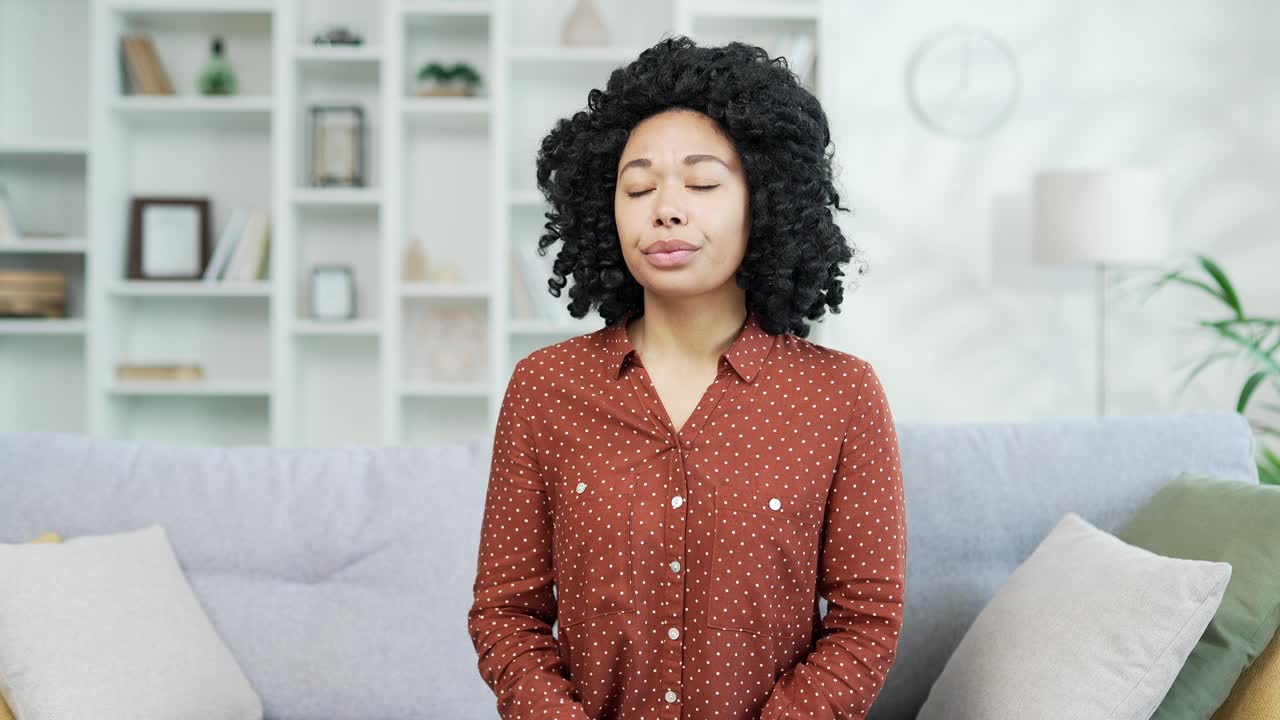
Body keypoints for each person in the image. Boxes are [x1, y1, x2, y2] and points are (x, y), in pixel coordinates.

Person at [467, 35, 906, 720]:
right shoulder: (545, 389)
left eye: (702, 184)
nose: (665, 208)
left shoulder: (841, 396)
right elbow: (505, 617)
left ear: (765, 201)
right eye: (638, 187)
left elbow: (867, 620)